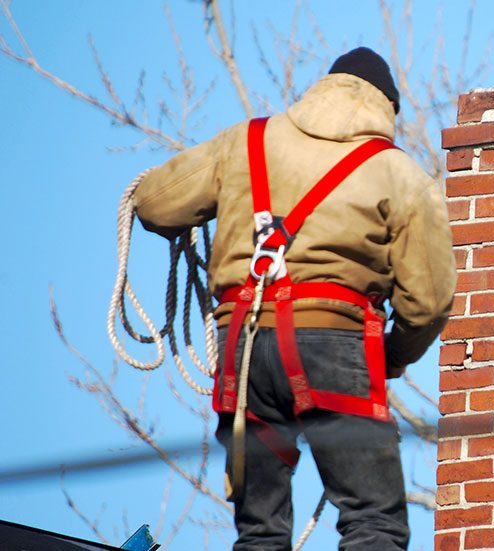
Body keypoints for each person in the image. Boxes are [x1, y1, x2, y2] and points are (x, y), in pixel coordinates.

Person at [133, 47, 457, 551]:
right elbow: (429, 303)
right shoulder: (401, 175)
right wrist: (392, 357)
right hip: (334, 344)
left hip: (242, 346)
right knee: (374, 519)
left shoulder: (245, 141)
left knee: (260, 529)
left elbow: (154, 203)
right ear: (387, 109)